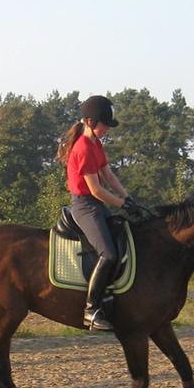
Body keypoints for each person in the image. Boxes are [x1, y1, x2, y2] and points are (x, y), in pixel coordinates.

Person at [56, 95, 141, 331]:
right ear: (91, 122)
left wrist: (127, 197)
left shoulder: (96, 144)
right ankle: (91, 310)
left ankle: (107, 297)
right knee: (109, 254)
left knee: (122, 240)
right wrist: (120, 204)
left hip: (97, 205)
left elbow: (108, 174)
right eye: (104, 125)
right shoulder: (82, 148)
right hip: (84, 206)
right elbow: (95, 188)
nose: (106, 130)